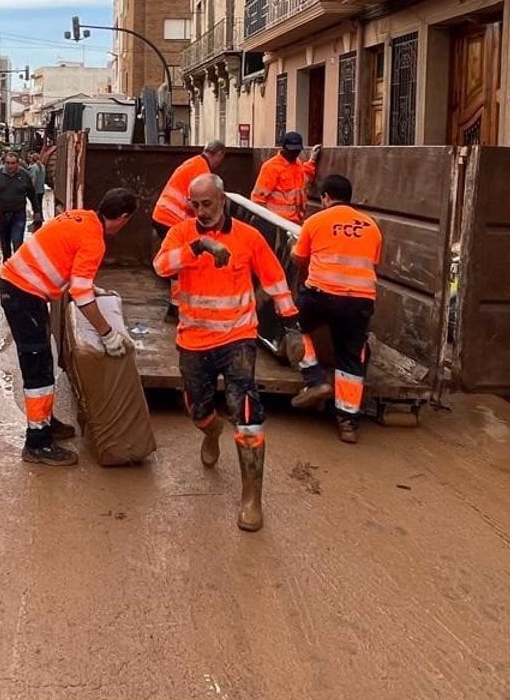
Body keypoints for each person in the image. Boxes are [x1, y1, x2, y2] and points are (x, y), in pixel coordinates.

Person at [154, 173, 299, 532]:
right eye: (195, 204)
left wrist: (291, 323)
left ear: (223, 201)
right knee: (197, 409)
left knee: (248, 413)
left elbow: (274, 277)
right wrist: (198, 247)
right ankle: (210, 430)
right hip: (193, 341)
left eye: (208, 203)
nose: (201, 211)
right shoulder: (182, 233)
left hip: (238, 337)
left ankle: (251, 498)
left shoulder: (248, 237)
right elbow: (160, 267)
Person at [0, 188, 141, 465]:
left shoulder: (81, 217)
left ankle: (44, 422)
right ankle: (37, 443)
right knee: (37, 368)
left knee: (43, 363)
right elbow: (80, 296)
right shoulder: (95, 240)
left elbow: (66, 261)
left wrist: (90, 286)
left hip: (21, 288)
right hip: (22, 293)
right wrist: (108, 334)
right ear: (123, 217)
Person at [289, 173, 384, 444]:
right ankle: (347, 423)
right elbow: (373, 263)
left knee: (294, 324)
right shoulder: (371, 226)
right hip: (360, 300)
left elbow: (298, 257)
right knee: (350, 356)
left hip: (322, 296)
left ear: (325, 198)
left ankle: (315, 379)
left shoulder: (316, 220)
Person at [151, 140, 227, 319]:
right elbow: (193, 202)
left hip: (164, 216)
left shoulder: (194, 163)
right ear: (219, 154)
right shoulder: (202, 171)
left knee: (178, 263)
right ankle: (176, 307)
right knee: (181, 263)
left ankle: (176, 306)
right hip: (171, 218)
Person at [0, 151, 42, 260]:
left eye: (13, 163)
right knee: (5, 242)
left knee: (17, 241)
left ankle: (17, 265)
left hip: (18, 214)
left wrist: (37, 211)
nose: (10, 166)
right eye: (8, 163)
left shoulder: (24, 176)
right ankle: (7, 264)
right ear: (4, 163)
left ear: (18, 163)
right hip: (2, 215)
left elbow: (32, 195)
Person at [252, 132, 315, 223]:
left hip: (296, 221)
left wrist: (312, 160)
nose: (294, 154)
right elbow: (258, 199)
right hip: (277, 222)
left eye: (297, 151)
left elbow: (305, 177)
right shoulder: (271, 167)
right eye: (292, 151)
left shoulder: (298, 164)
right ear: (284, 148)